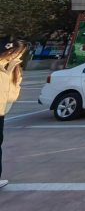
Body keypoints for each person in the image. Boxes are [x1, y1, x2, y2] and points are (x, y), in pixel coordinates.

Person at [1, 40, 28, 188]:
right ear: (9, 50)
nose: (19, 56)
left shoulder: (13, 67)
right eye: (19, 52)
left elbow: (12, 91)